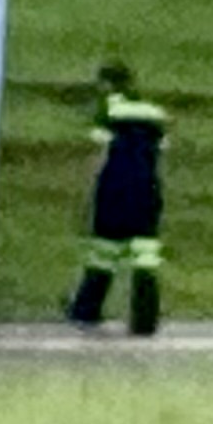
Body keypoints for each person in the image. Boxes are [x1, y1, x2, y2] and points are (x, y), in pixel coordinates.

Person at [66, 61, 168, 336]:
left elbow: (99, 152)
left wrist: (87, 192)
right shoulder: (154, 112)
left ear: (107, 84)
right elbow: (161, 150)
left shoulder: (108, 111)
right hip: (147, 188)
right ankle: (145, 320)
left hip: (115, 187)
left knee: (104, 251)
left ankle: (86, 310)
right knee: (145, 256)